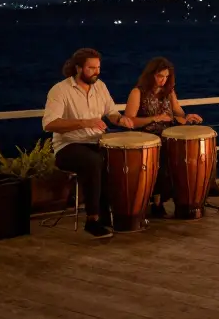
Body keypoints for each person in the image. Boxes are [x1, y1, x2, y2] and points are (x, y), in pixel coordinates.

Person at [41, 48, 136, 239]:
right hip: (68, 146)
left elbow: (111, 113)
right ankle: (92, 220)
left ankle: (121, 214)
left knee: (120, 158)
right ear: (78, 68)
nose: (96, 71)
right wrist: (85, 122)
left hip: (96, 141)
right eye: (91, 68)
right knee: (93, 161)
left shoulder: (100, 87)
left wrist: (120, 120)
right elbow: (49, 124)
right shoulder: (60, 90)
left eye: (98, 67)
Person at [123, 57, 204, 218]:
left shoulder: (169, 92)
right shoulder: (138, 92)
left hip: (168, 133)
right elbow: (130, 120)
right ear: (151, 74)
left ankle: (191, 198)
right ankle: (157, 201)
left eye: (166, 77)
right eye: (160, 76)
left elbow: (178, 112)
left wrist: (188, 117)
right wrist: (155, 118)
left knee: (190, 154)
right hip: (148, 136)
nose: (163, 80)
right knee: (164, 157)